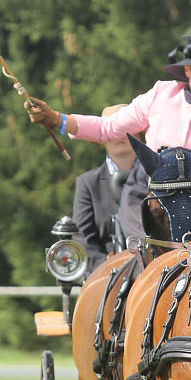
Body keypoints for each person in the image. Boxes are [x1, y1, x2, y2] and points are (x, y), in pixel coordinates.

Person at [25, 30, 191, 184]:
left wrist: (187, 185)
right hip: (148, 191)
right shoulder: (159, 93)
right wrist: (56, 119)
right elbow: (108, 128)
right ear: (187, 71)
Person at [71, 104, 140, 274]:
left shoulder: (158, 179)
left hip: (154, 277)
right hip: (105, 279)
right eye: (112, 129)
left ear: (140, 133)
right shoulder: (87, 183)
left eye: (125, 127)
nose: (118, 135)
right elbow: (83, 242)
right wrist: (113, 267)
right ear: (102, 137)